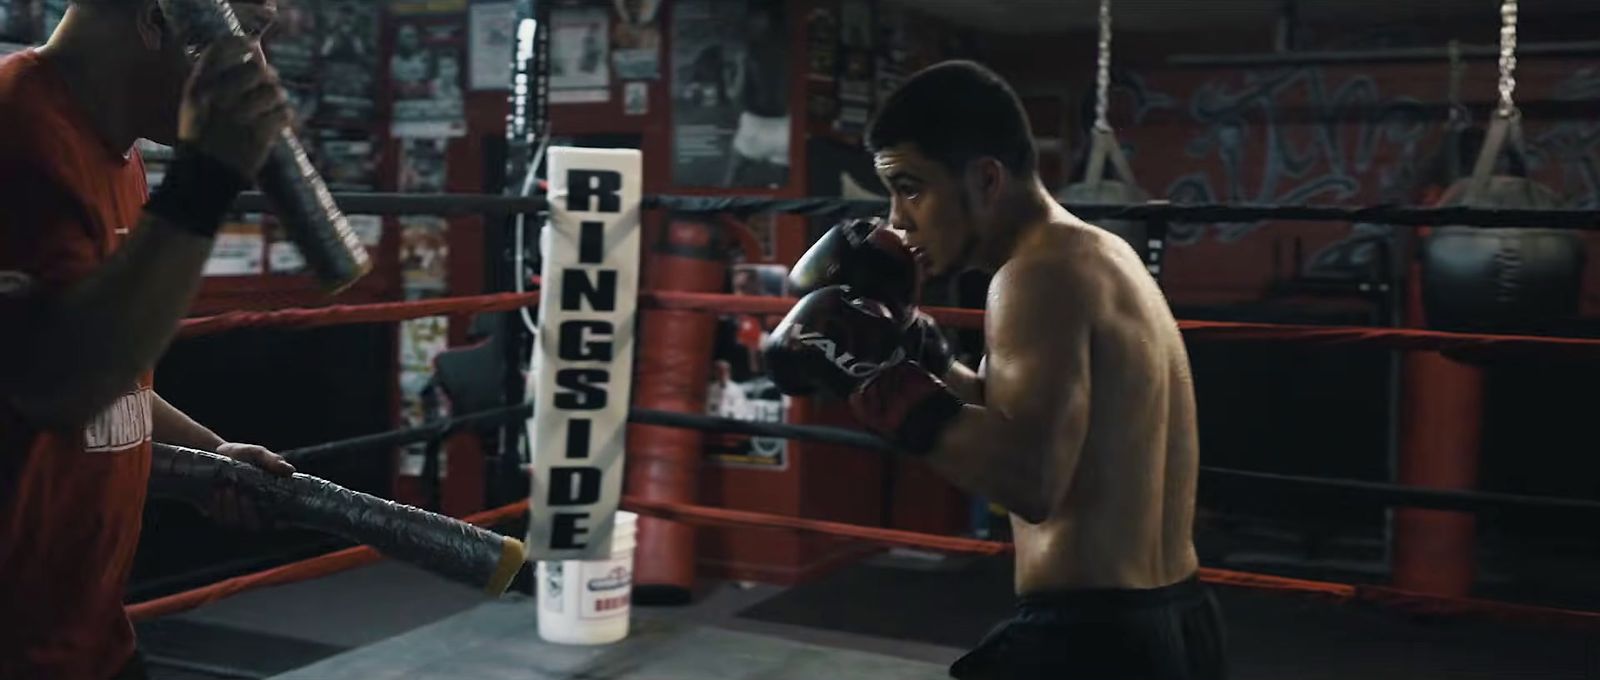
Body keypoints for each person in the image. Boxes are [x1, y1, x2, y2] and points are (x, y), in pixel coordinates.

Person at [763, 60, 1226, 679]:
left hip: (1094, 641)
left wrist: (870, 377)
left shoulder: (1034, 277)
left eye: (911, 186)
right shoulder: (1097, 252)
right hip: (1178, 620)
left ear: (985, 178)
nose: (898, 219)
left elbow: (1030, 480)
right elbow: (1027, 417)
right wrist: (920, 355)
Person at [0, 1, 298, 678]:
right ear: (159, 17)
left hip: (93, 636)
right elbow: (55, 386)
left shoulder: (120, 153)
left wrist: (211, 456)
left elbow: (108, 365)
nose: (255, 64)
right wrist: (204, 184)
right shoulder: (14, 130)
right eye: (243, 30)